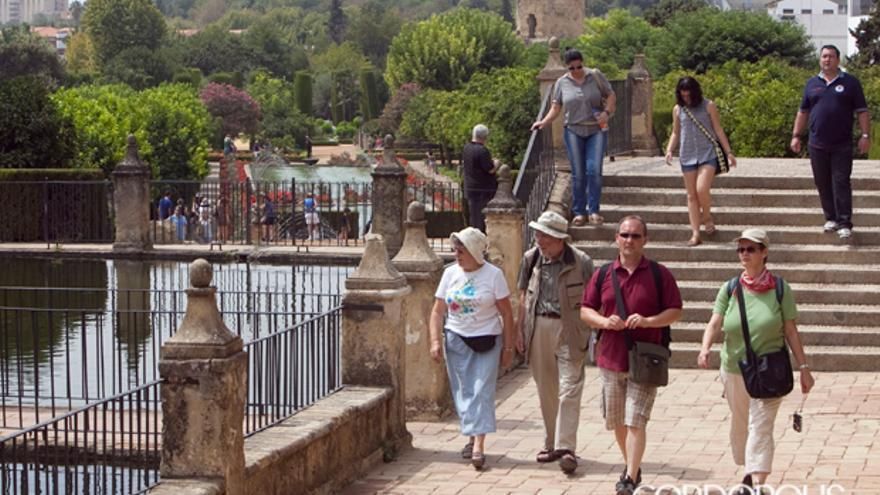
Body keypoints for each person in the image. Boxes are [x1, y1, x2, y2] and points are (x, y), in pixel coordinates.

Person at [697, 228, 815, 493]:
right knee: (741, 424)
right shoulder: (730, 288)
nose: (744, 254)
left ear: (764, 252)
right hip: (734, 367)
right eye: (741, 249)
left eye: (751, 249)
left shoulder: (780, 289)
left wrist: (804, 367)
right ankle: (749, 471)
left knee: (760, 425)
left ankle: (756, 482)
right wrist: (705, 348)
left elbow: (791, 330)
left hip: (770, 369)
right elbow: (715, 323)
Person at [580, 215, 683, 495]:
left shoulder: (660, 274)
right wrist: (604, 322)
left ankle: (629, 477)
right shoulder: (603, 274)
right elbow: (586, 309)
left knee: (636, 418)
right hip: (611, 358)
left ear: (645, 240)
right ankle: (633, 467)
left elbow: (675, 310)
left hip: (646, 359)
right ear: (616, 238)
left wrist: (649, 321)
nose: (629, 240)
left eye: (635, 236)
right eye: (625, 235)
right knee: (617, 420)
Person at [429, 227, 515, 470]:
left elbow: (507, 313)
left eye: (461, 251)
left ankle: (478, 444)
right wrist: (435, 341)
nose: (456, 255)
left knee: (481, 390)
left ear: (475, 252)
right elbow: (437, 311)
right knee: (463, 391)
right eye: (455, 250)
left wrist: (508, 347)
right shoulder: (449, 274)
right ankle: (471, 434)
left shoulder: (494, 275)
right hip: (456, 338)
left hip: (487, 338)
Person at [515, 211, 594, 474]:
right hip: (538, 326)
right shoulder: (531, 259)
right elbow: (522, 296)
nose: (539, 240)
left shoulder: (581, 261)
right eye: (538, 234)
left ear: (560, 239)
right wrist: (519, 331)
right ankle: (551, 443)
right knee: (546, 389)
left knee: (570, 387)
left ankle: (566, 448)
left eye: (545, 236)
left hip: (571, 329)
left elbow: (593, 299)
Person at [790, 44, 871, 242]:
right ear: (820, 60)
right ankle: (831, 218)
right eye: (824, 56)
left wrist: (865, 135)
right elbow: (803, 111)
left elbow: (862, 111)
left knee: (841, 181)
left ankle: (844, 223)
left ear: (838, 60)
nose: (827, 60)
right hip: (817, 143)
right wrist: (796, 135)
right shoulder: (812, 84)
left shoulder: (850, 83)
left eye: (831, 56)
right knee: (822, 181)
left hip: (842, 143)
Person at [531, 48, 616, 226]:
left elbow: (610, 95)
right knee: (578, 173)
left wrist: (606, 113)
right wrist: (543, 122)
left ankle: (594, 210)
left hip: (596, 129)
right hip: (573, 130)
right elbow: (556, 107)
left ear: (582, 63)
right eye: (572, 68)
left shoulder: (595, 76)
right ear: (567, 67)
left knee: (594, 170)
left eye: (579, 67)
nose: (576, 71)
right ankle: (579, 211)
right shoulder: (561, 83)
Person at [664, 76, 737, 247]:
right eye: (683, 95)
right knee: (691, 195)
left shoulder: (708, 105)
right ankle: (695, 233)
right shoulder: (678, 109)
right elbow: (676, 132)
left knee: (701, 188)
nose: (686, 98)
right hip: (687, 154)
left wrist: (729, 152)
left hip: (708, 153)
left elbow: (718, 129)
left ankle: (707, 216)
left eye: (688, 94)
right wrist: (669, 150)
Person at [461, 124, 498, 233]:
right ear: (485, 137)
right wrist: (496, 163)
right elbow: (490, 169)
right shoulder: (482, 151)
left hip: (470, 189)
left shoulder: (466, 148)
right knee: (481, 222)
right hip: (483, 191)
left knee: (474, 219)